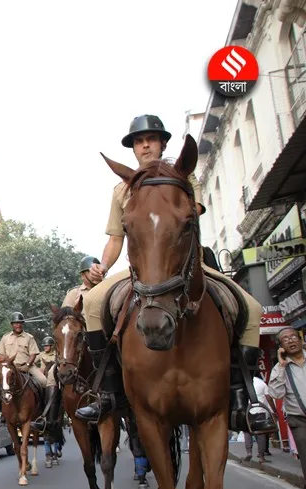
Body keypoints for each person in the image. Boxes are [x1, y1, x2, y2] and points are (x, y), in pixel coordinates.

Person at [74, 114, 276, 437]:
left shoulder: (184, 175)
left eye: (151, 139)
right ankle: (107, 391)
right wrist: (103, 267)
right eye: (139, 141)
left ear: (162, 143)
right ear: (133, 148)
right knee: (92, 303)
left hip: (186, 263)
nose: (145, 145)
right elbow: (116, 239)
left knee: (252, 308)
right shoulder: (120, 191)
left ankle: (244, 395)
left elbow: (186, 216)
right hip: (140, 267)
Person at [268, 327, 306, 486]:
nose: (291, 340)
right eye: (285, 339)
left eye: (293, 337)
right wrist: (282, 366)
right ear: (281, 347)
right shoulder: (279, 369)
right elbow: (276, 394)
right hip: (299, 421)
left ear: (301, 340)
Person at [243, 371, 273, 463]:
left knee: (247, 432)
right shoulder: (262, 383)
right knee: (261, 434)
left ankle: (249, 452)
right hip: (260, 411)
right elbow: (269, 398)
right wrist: (273, 411)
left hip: (248, 411)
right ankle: (261, 457)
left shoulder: (244, 383)